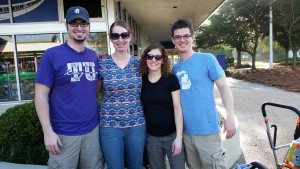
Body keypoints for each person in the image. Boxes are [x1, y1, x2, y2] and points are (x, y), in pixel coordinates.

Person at [34, 6, 104, 169]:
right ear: (66, 26)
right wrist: (48, 132)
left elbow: (91, 90)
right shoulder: (51, 55)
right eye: (74, 24)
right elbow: (40, 96)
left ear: (89, 27)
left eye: (83, 24)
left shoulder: (93, 56)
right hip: (63, 134)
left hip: (92, 131)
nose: (79, 28)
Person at [171, 19, 237, 169]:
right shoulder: (175, 69)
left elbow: (224, 88)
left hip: (208, 131)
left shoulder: (207, 59)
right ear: (173, 40)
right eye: (178, 37)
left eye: (186, 36)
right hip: (186, 133)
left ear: (193, 38)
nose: (182, 40)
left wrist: (230, 117)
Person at [98, 20, 146, 169]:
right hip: (109, 125)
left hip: (136, 124)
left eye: (124, 35)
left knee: (136, 166)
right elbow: (97, 91)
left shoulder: (140, 63)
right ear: (111, 38)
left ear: (130, 37)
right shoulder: (102, 63)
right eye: (115, 36)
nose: (120, 40)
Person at [139, 43, 185, 169]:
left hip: (172, 136)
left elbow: (177, 108)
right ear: (145, 58)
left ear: (163, 60)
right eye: (150, 56)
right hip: (152, 138)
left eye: (158, 57)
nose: (154, 60)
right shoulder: (141, 80)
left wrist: (179, 137)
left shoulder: (171, 79)